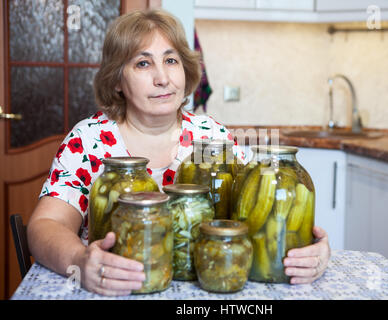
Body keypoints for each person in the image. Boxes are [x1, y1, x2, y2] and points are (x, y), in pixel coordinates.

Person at [27, 9, 331, 296]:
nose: (163, 78)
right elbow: (44, 226)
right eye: (143, 63)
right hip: (118, 289)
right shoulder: (89, 140)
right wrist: (81, 261)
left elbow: (258, 218)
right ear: (117, 81)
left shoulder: (211, 137)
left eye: (171, 61)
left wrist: (310, 249)